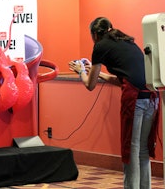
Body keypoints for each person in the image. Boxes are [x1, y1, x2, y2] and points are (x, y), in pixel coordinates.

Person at [68, 17, 159, 189]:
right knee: (143, 151)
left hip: (135, 101)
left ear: (95, 34)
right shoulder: (126, 41)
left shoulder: (100, 46)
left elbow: (90, 85)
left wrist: (81, 71)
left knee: (130, 150)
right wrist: (99, 73)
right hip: (152, 96)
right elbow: (124, 80)